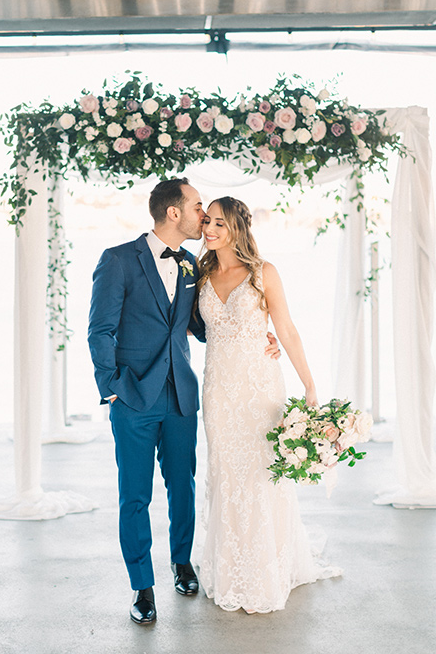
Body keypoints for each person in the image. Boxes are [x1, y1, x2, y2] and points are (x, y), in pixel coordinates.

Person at [88, 178, 279, 625]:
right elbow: (100, 330)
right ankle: (142, 586)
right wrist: (111, 386)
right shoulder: (117, 260)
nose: (203, 218)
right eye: (198, 208)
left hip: (182, 395)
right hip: (133, 397)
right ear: (174, 213)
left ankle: (182, 563)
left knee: (184, 485)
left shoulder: (195, 264)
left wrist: (256, 336)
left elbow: (201, 324)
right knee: (134, 495)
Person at [197, 196, 339, 614]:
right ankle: (229, 569)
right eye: (207, 222)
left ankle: (265, 570)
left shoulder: (263, 273)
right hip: (218, 392)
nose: (210, 230)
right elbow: (189, 327)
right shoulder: (200, 272)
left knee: (261, 476)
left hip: (260, 391)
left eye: (219, 224)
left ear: (238, 228)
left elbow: (287, 330)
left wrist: (310, 385)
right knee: (225, 476)